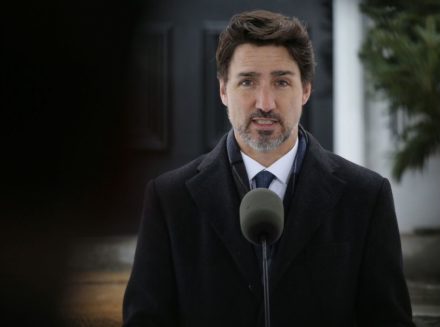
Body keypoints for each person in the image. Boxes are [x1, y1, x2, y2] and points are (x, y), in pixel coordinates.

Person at [123, 10, 414, 327]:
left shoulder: (366, 197)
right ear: (223, 90)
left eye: (281, 82)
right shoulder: (169, 199)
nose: (265, 103)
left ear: (305, 90)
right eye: (247, 81)